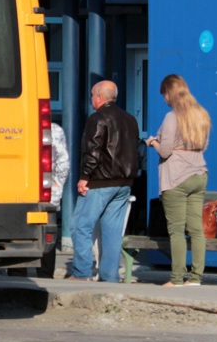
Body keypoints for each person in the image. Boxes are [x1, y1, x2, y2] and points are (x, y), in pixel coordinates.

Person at [71, 80, 140, 283]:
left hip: (100, 181)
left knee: (81, 226)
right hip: (124, 183)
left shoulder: (97, 118)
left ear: (100, 97)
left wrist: (84, 177)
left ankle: (82, 272)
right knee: (112, 231)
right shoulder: (130, 119)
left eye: (93, 95)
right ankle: (110, 276)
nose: (91, 99)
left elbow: (92, 151)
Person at [145, 74, 210, 287]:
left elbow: (165, 151)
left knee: (176, 230)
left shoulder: (172, 117)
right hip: (199, 173)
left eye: (164, 93)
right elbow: (204, 146)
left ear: (169, 92)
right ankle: (196, 278)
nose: (163, 98)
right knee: (196, 230)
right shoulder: (202, 115)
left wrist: (154, 141)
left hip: (176, 177)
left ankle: (176, 279)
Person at [38, 122, 70, 279]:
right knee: (47, 232)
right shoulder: (54, 129)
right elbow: (63, 159)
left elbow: (63, 160)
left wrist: (57, 184)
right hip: (47, 191)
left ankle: (17, 273)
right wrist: (57, 185)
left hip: (41, 190)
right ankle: (45, 274)